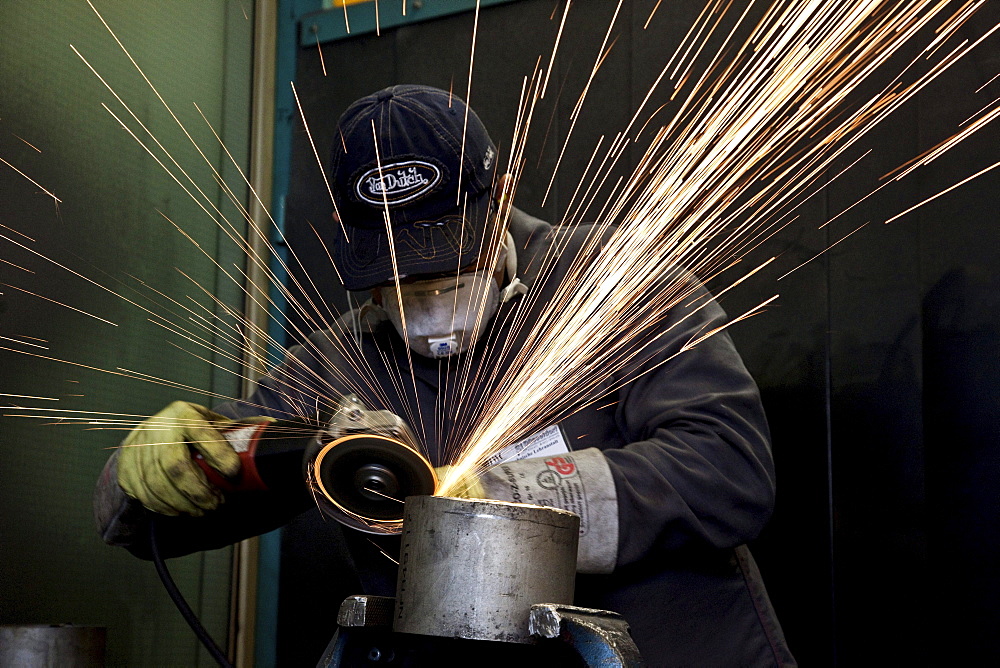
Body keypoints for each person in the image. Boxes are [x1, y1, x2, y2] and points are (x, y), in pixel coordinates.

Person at [95, 84, 795, 665]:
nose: (424, 297)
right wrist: (155, 466)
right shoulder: (339, 363)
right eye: (396, 278)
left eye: (448, 264)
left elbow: (729, 470)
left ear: (499, 205)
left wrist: (497, 499)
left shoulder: (614, 289)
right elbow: (148, 513)